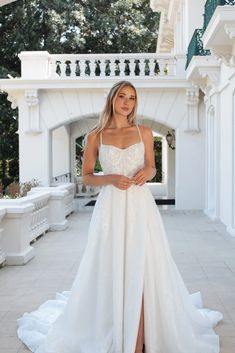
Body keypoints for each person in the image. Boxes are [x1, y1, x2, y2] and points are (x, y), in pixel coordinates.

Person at [17, 80, 223, 353]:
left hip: (140, 206)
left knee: (144, 263)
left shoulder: (145, 132)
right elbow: (87, 175)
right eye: (123, 96)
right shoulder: (96, 135)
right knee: (112, 263)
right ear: (113, 99)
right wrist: (111, 177)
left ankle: (139, 336)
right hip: (111, 208)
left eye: (132, 98)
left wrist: (148, 173)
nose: (127, 102)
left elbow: (151, 166)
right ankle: (117, 325)